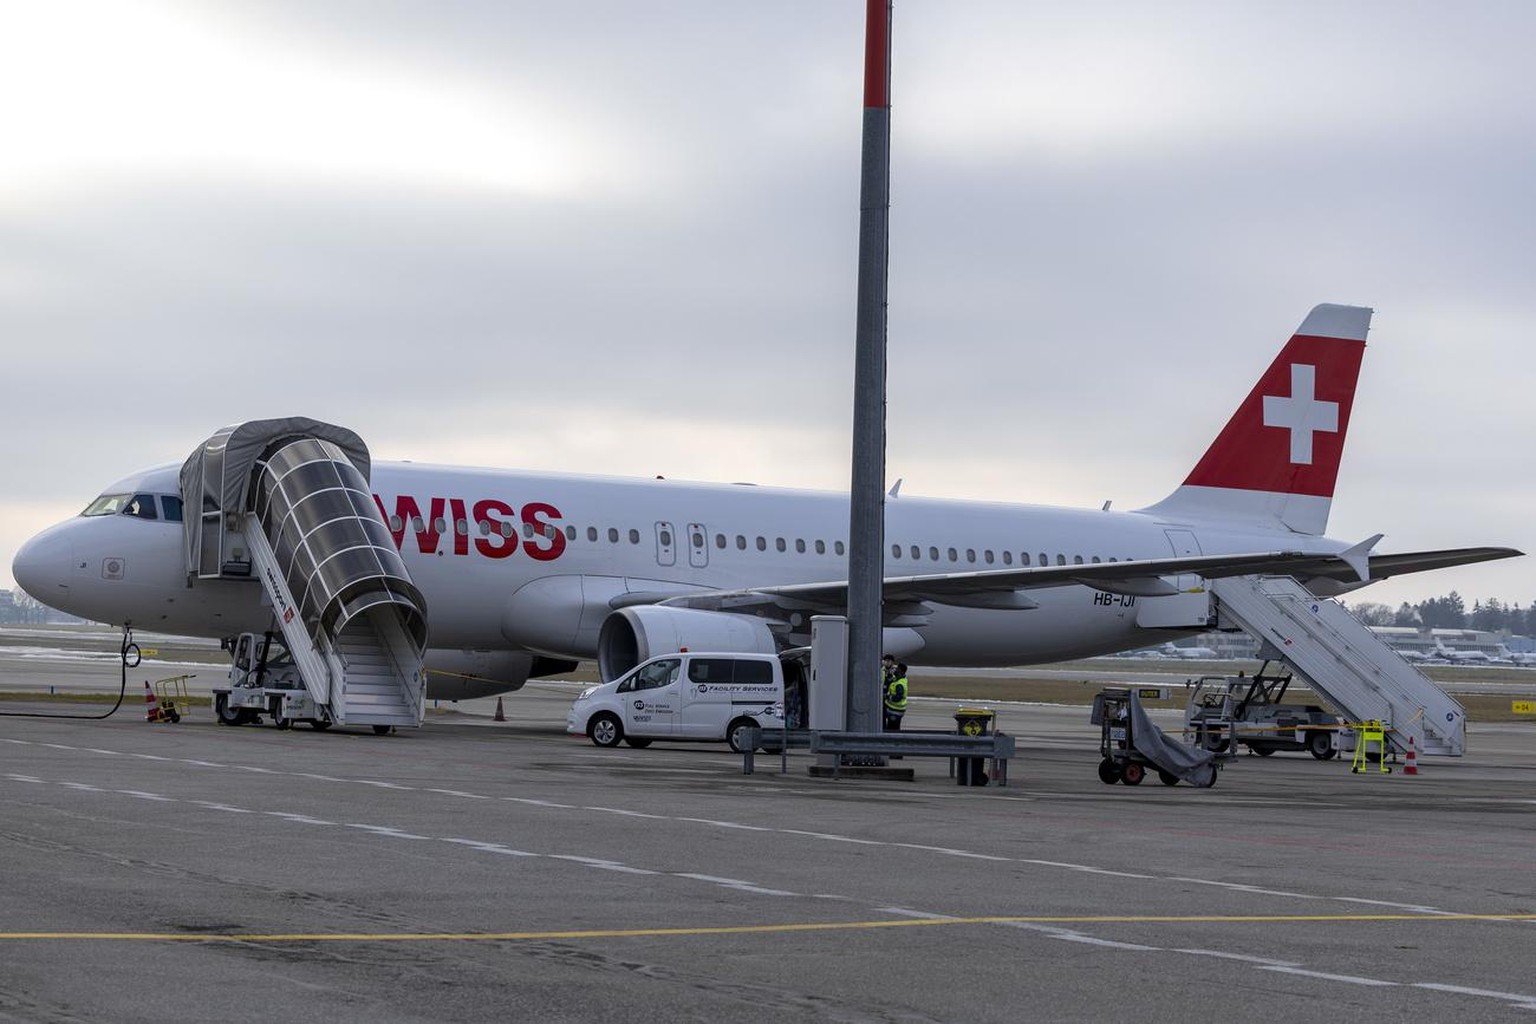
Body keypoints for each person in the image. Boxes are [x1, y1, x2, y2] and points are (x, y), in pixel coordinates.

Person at [883, 662, 908, 732]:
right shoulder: (900, 679)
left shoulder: (899, 684)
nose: (895, 670)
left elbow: (898, 697)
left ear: (901, 671)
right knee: (894, 728)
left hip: (895, 711)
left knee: (892, 729)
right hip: (895, 710)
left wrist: (888, 697)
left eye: (897, 669)